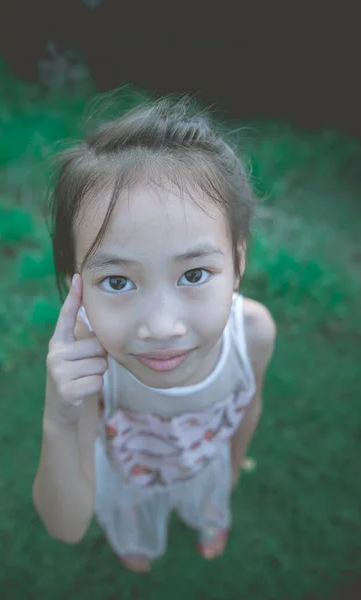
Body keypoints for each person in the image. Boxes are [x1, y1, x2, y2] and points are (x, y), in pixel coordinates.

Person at [32, 97, 276, 573]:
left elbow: (250, 407)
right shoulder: (91, 367)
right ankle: (136, 544)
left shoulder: (254, 334)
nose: (162, 327)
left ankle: (209, 520)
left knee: (207, 502)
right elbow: (66, 526)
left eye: (194, 274)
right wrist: (59, 419)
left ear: (238, 262)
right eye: (118, 282)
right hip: (129, 482)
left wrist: (230, 469)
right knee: (135, 532)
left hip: (206, 468)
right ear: (74, 282)